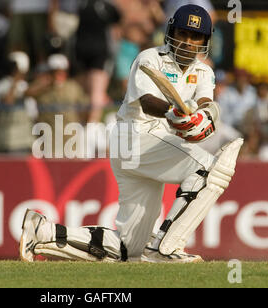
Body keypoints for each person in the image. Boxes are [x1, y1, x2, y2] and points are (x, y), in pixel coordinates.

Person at [20, 4, 243, 263]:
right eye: (183, 34)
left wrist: (204, 117)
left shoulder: (204, 71)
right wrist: (172, 112)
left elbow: (206, 102)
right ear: (172, 32)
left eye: (196, 37)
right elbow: (147, 101)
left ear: (205, 40)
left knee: (128, 248)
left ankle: (42, 231)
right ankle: (166, 248)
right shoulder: (150, 58)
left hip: (158, 146)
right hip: (136, 138)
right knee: (208, 169)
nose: (188, 42)